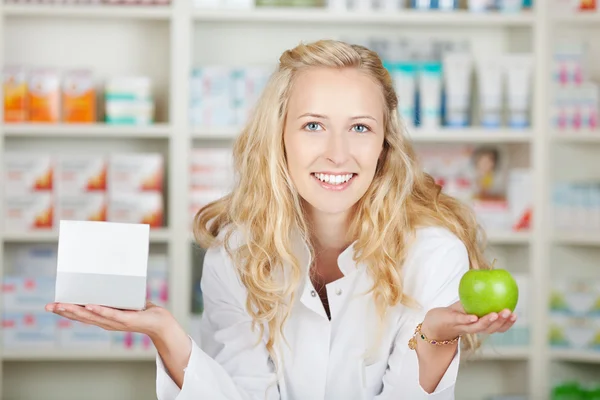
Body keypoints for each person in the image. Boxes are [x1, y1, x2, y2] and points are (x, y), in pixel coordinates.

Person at [45, 40, 517, 400]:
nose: (337, 153)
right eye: (313, 125)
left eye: (360, 127)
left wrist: (432, 336)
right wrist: (168, 335)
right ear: (281, 137)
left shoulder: (433, 253)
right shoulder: (238, 255)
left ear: (383, 145)